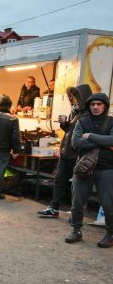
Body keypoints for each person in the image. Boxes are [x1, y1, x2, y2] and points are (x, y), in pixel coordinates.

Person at [38, 84, 93, 218]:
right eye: (72, 97)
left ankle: (76, 213)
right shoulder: (76, 113)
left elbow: (85, 136)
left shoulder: (88, 115)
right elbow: (72, 133)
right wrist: (65, 125)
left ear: (83, 97)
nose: (73, 100)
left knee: (77, 186)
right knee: (59, 181)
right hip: (66, 153)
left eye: (75, 97)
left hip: (78, 155)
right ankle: (54, 208)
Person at [66, 93, 113, 248]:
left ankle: (110, 234)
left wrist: (90, 136)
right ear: (89, 106)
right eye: (93, 104)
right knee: (77, 200)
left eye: (99, 104)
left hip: (107, 167)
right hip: (84, 167)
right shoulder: (82, 121)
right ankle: (76, 230)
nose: (96, 107)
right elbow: (76, 143)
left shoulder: (111, 122)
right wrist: (102, 143)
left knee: (108, 203)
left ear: (105, 106)